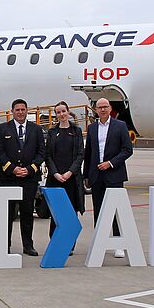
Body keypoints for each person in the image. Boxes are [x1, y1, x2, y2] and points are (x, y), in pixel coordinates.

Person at [0, 98, 45, 256]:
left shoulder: (36, 129)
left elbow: (41, 152)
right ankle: (5, 246)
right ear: (12, 111)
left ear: (27, 111)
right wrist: (12, 169)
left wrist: (30, 169)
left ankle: (28, 245)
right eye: (17, 110)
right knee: (7, 213)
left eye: (23, 109)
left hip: (29, 178)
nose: (20, 112)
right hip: (8, 177)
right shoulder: (3, 128)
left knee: (27, 212)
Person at [83, 97, 133, 258]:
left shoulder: (120, 126)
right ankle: (100, 241)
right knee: (99, 210)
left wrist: (110, 163)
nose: (102, 110)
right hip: (96, 175)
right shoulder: (92, 128)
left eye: (105, 106)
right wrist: (86, 176)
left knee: (116, 210)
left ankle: (118, 243)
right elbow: (88, 154)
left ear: (110, 108)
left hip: (114, 174)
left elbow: (127, 150)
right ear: (96, 110)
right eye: (99, 107)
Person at [44, 101, 85, 255]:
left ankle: (69, 245)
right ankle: (55, 242)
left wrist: (70, 172)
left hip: (71, 179)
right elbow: (48, 156)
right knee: (55, 213)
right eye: (58, 112)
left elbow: (80, 155)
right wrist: (55, 173)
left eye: (63, 111)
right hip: (55, 179)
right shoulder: (52, 132)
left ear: (68, 112)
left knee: (70, 212)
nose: (61, 114)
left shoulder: (76, 131)